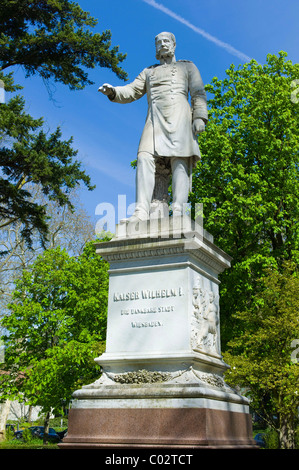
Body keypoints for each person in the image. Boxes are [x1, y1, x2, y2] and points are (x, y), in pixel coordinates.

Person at [98, 32, 208, 222]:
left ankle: (180, 210)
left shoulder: (188, 67)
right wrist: (113, 91)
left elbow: (198, 93)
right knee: (143, 157)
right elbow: (132, 90)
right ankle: (141, 210)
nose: (162, 44)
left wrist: (199, 117)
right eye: (158, 42)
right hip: (154, 119)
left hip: (180, 117)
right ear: (155, 48)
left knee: (179, 160)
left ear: (174, 44)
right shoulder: (148, 72)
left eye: (166, 41)